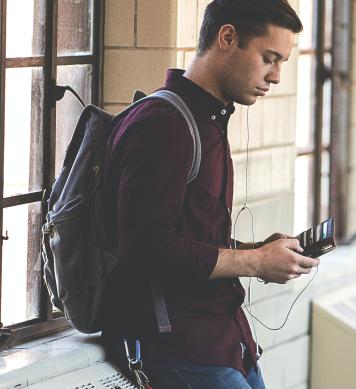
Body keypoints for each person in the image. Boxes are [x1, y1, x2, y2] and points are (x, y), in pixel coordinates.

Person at [100, 1, 317, 387]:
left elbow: (191, 238)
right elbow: (145, 246)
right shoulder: (164, 125)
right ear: (228, 38)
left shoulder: (208, 120)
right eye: (269, 58)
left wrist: (258, 252)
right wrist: (254, 262)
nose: (277, 76)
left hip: (226, 342)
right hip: (183, 349)